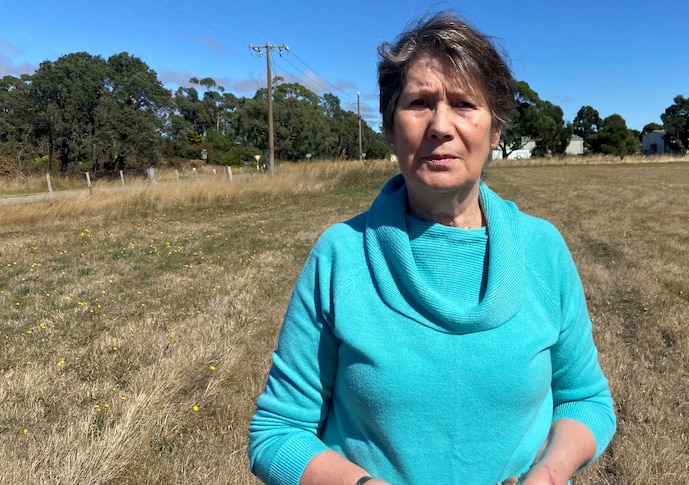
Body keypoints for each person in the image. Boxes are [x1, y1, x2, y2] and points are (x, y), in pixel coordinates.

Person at [248, 12, 616, 485]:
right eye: (420, 103)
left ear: (496, 130)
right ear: (388, 126)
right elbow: (278, 432)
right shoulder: (340, 255)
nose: (441, 125)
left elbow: (585, 400)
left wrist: (550, 472)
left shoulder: (543, 249)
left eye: (464, 104)